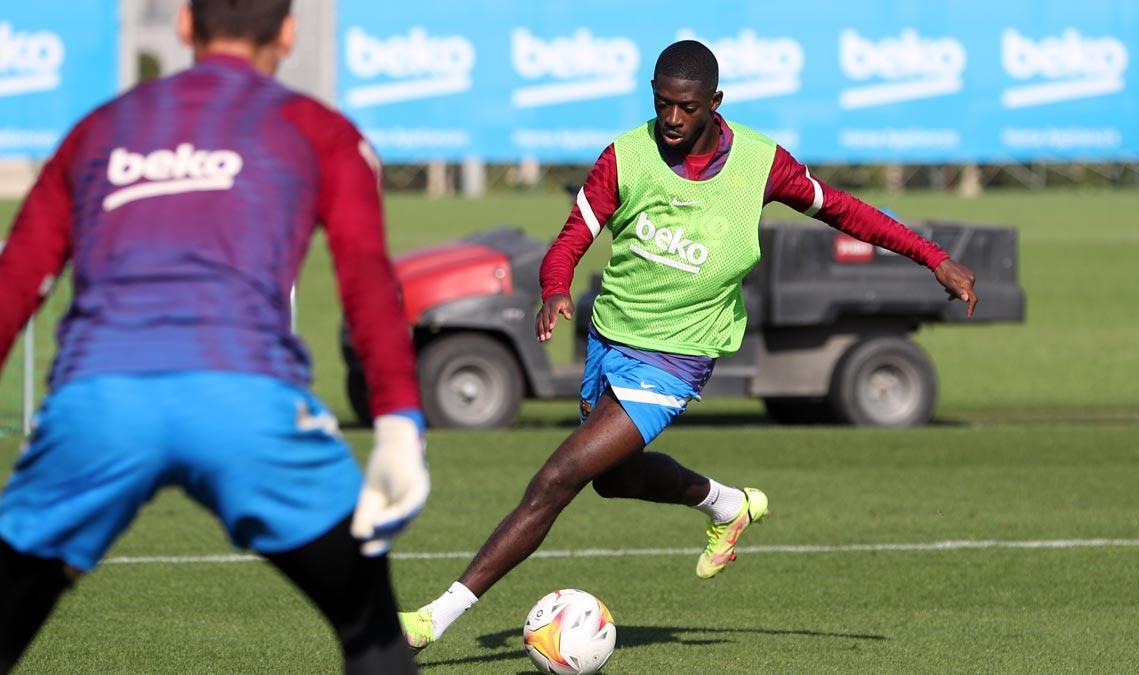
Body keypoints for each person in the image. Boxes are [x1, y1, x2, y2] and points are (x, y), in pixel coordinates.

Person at [398, 39, 979, 651]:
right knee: (612, 480)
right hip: (610, 338)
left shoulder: (761, 164)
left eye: (687, 107)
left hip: (676, 359)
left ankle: (433, 619)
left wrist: (933, 258)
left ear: (715, 103)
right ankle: (727, 505)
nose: (672, 120)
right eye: (662, 104)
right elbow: (570, 239)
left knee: (556, 479)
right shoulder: (626, 155)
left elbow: (845, 211)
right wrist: (554, 287)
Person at [0, 2, 429, 673]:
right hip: (246, 404)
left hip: (97, 406)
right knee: (373, 632)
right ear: (288, 32)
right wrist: (400, 422)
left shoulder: (98, 128)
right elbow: (367, 281)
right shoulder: (319, 129)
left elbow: (16, 280)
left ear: (183, 23)